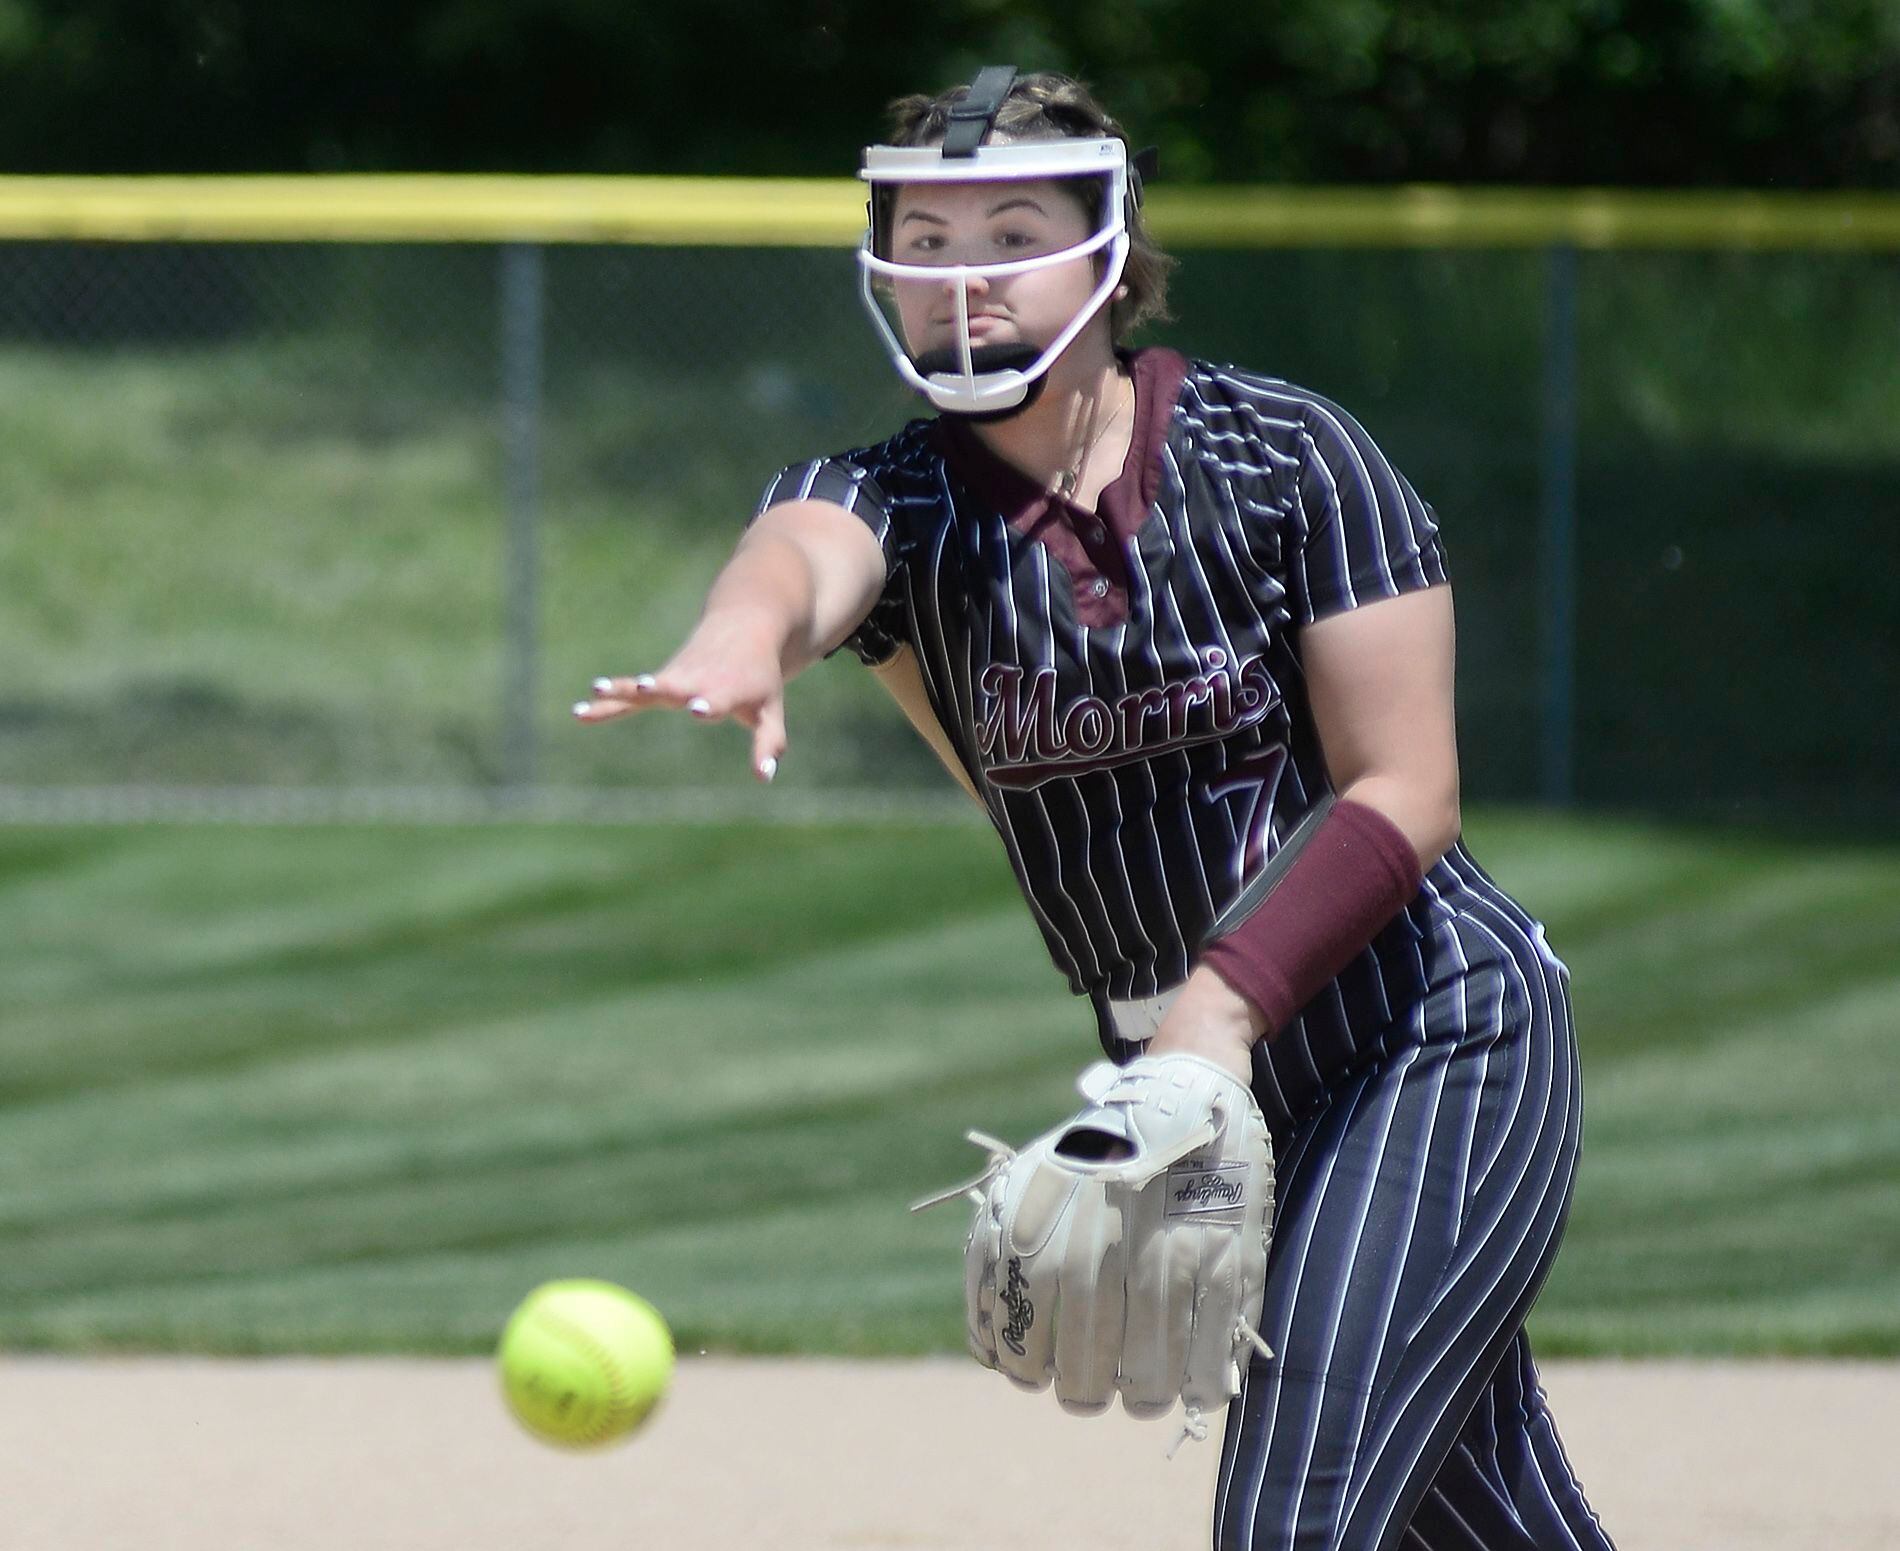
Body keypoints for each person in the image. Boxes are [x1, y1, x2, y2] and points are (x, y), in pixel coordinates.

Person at [576, 66, 1618, 1551]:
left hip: (1427, 1039)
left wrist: (1215, 1012)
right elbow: (802, 555)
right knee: (1490, 1522)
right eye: (924, 245)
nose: (962, 281)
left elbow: (1409, 789)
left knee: (1297, 1518)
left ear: (1110, 251)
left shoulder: (1288, 458)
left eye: (1011, 232)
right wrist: (744, 635)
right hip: (1194, 1099)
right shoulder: (901, 503)